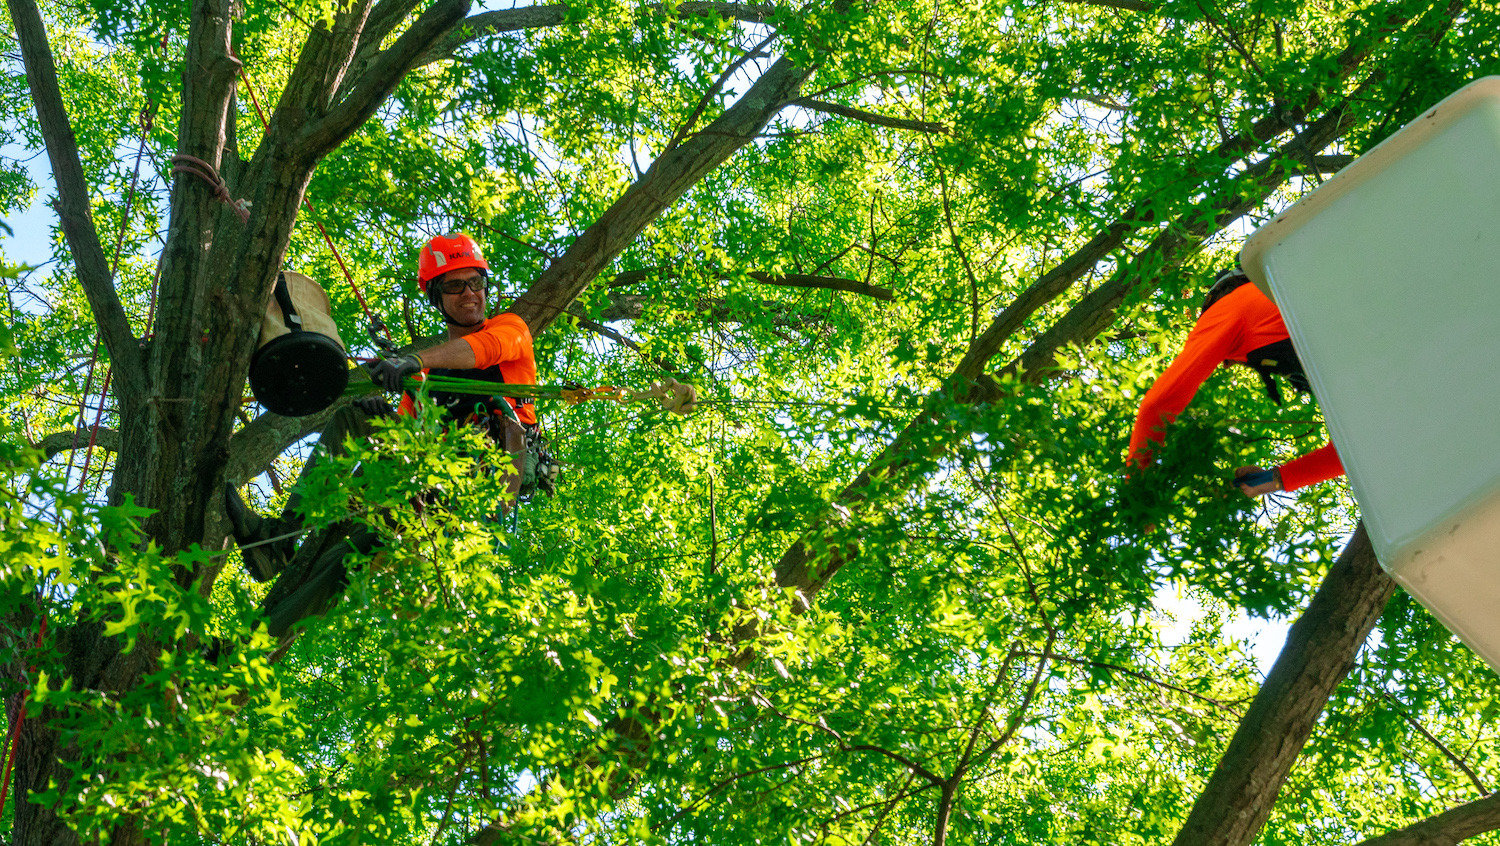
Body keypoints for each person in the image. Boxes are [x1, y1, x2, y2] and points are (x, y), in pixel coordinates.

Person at [224, 232, 544, 634]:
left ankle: (250, 648)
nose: (469, 294)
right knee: (353, 420)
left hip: (478, 479)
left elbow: (482, 350)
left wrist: (413, 360)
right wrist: (382, 412)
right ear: (437, 297)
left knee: (350, 554)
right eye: (454, 285)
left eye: (475, 282)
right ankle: (281, 540)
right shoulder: (426, 380)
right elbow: (401, 437)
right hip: (423, 476)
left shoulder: (510, 330)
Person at [1126, 265, 1344, 497]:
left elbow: (1158, 405)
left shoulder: (1230, 306)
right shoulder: (1289, 302)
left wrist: (1137, 491)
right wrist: (1276, 479)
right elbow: (1355, 451)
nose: (1227, 363)